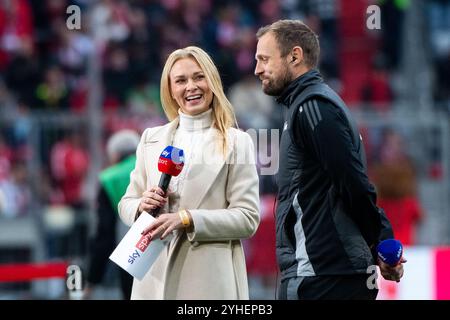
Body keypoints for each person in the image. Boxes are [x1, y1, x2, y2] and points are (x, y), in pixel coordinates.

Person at [254, 19, 405, 300]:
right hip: (324, 273)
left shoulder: (313, 107)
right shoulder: (307, 106)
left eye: (264, 59)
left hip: (324, 278)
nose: (257, 69)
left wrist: (382, 241)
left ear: (294, 56)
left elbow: (353, 183)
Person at [118, 46, 260, 300]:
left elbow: (247, 218)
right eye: (181, 80)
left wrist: (187, 219)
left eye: (198, 77)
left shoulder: (238, 142)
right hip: (152, 279)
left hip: (209, 282)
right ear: (170, 90)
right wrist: (141, 205)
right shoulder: (151, 138)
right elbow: (125, 204)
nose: (191, 86)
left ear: (212, 81)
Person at [85, 129, 140, 299]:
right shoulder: (152, 167)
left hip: (131, 252)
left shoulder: (109, 178)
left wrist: (92, 279)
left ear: (115, 155)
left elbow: (105, 233)